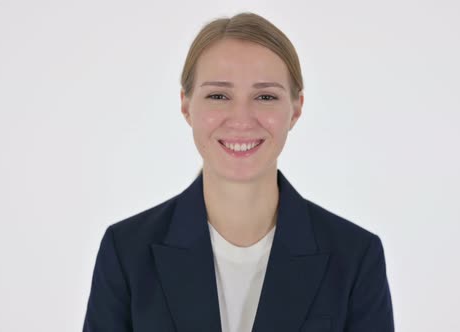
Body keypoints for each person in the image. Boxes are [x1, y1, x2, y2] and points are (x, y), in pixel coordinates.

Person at [83, 12, 394, 332]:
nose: (241, 119)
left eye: (265, 96)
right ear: (186, 105)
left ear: (296, 108)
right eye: (218, 95)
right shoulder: (126, 252)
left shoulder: (355, 258)